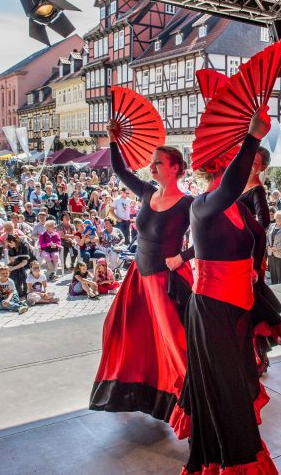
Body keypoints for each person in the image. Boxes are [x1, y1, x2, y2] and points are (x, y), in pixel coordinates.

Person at [176, 108, 276, 475]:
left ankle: (231, 456)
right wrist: (252, 138)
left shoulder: (236, 206)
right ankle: (229, 463)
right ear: (220, 166)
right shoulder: (203, 204)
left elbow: (259, 235)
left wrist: (256, 278)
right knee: (227, 391)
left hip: (237, 307)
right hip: (212, 310)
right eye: (232, 157)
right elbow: (232, 186)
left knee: (236, 386)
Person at [90, 125, 195, 431]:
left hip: (164, 280)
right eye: (152, 162)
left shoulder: (188, 204)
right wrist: (114, 141)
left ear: (175, 168)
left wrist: (183, 257)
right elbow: (120, 170)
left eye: (158, 162)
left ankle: (192, 402)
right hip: (138, 276)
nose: (152, 166)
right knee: (121, 329)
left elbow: (208, 238)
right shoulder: (148, 192)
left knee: (173, 343)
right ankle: (137, 392)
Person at [238, 146, 281, 375]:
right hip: (238, 250)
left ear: (263, 167)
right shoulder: (238, 184)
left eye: (254, 163)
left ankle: (259, 352)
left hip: (250, 252)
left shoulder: (257, 190)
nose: (249, 165)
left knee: (251, 300)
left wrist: (244, 233)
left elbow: (263, 222)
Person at [266, 210, 281, 284]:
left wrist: (275, 247)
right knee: (273, 275)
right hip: (271, 253)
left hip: (280, 253)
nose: (278, 219)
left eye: (280, 217)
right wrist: (268, 246)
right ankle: (274, 289)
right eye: (277, 217)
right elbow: (267, 237)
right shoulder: (272, 226)